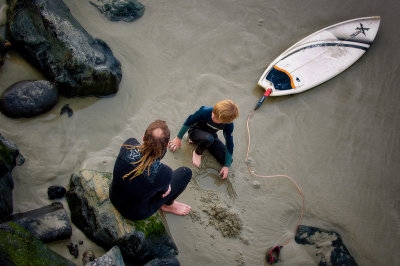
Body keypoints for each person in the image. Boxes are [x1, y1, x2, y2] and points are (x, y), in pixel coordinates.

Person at [109, 120, 192, 220]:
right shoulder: (165, 173)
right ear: (166, 145)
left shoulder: (129, 144)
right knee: (186, 172)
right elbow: (164, 192)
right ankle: (168, 205)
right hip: (134, 213)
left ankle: (151, 158)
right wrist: (166, 186)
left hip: (113, 196)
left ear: (144, 138)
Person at [168, 100, 239, 179]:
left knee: (226, 159)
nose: (212, 115)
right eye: (213, 113)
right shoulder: (206, 111)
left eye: (216, 117)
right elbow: (189, 121)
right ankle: (197, 152)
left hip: (211, 135)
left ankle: (205, 143)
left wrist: (227, 165)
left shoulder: (228, 125)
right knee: (209, 139)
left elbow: (229, 143)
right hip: (195, 131)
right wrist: (178, 138)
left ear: (225, 121)